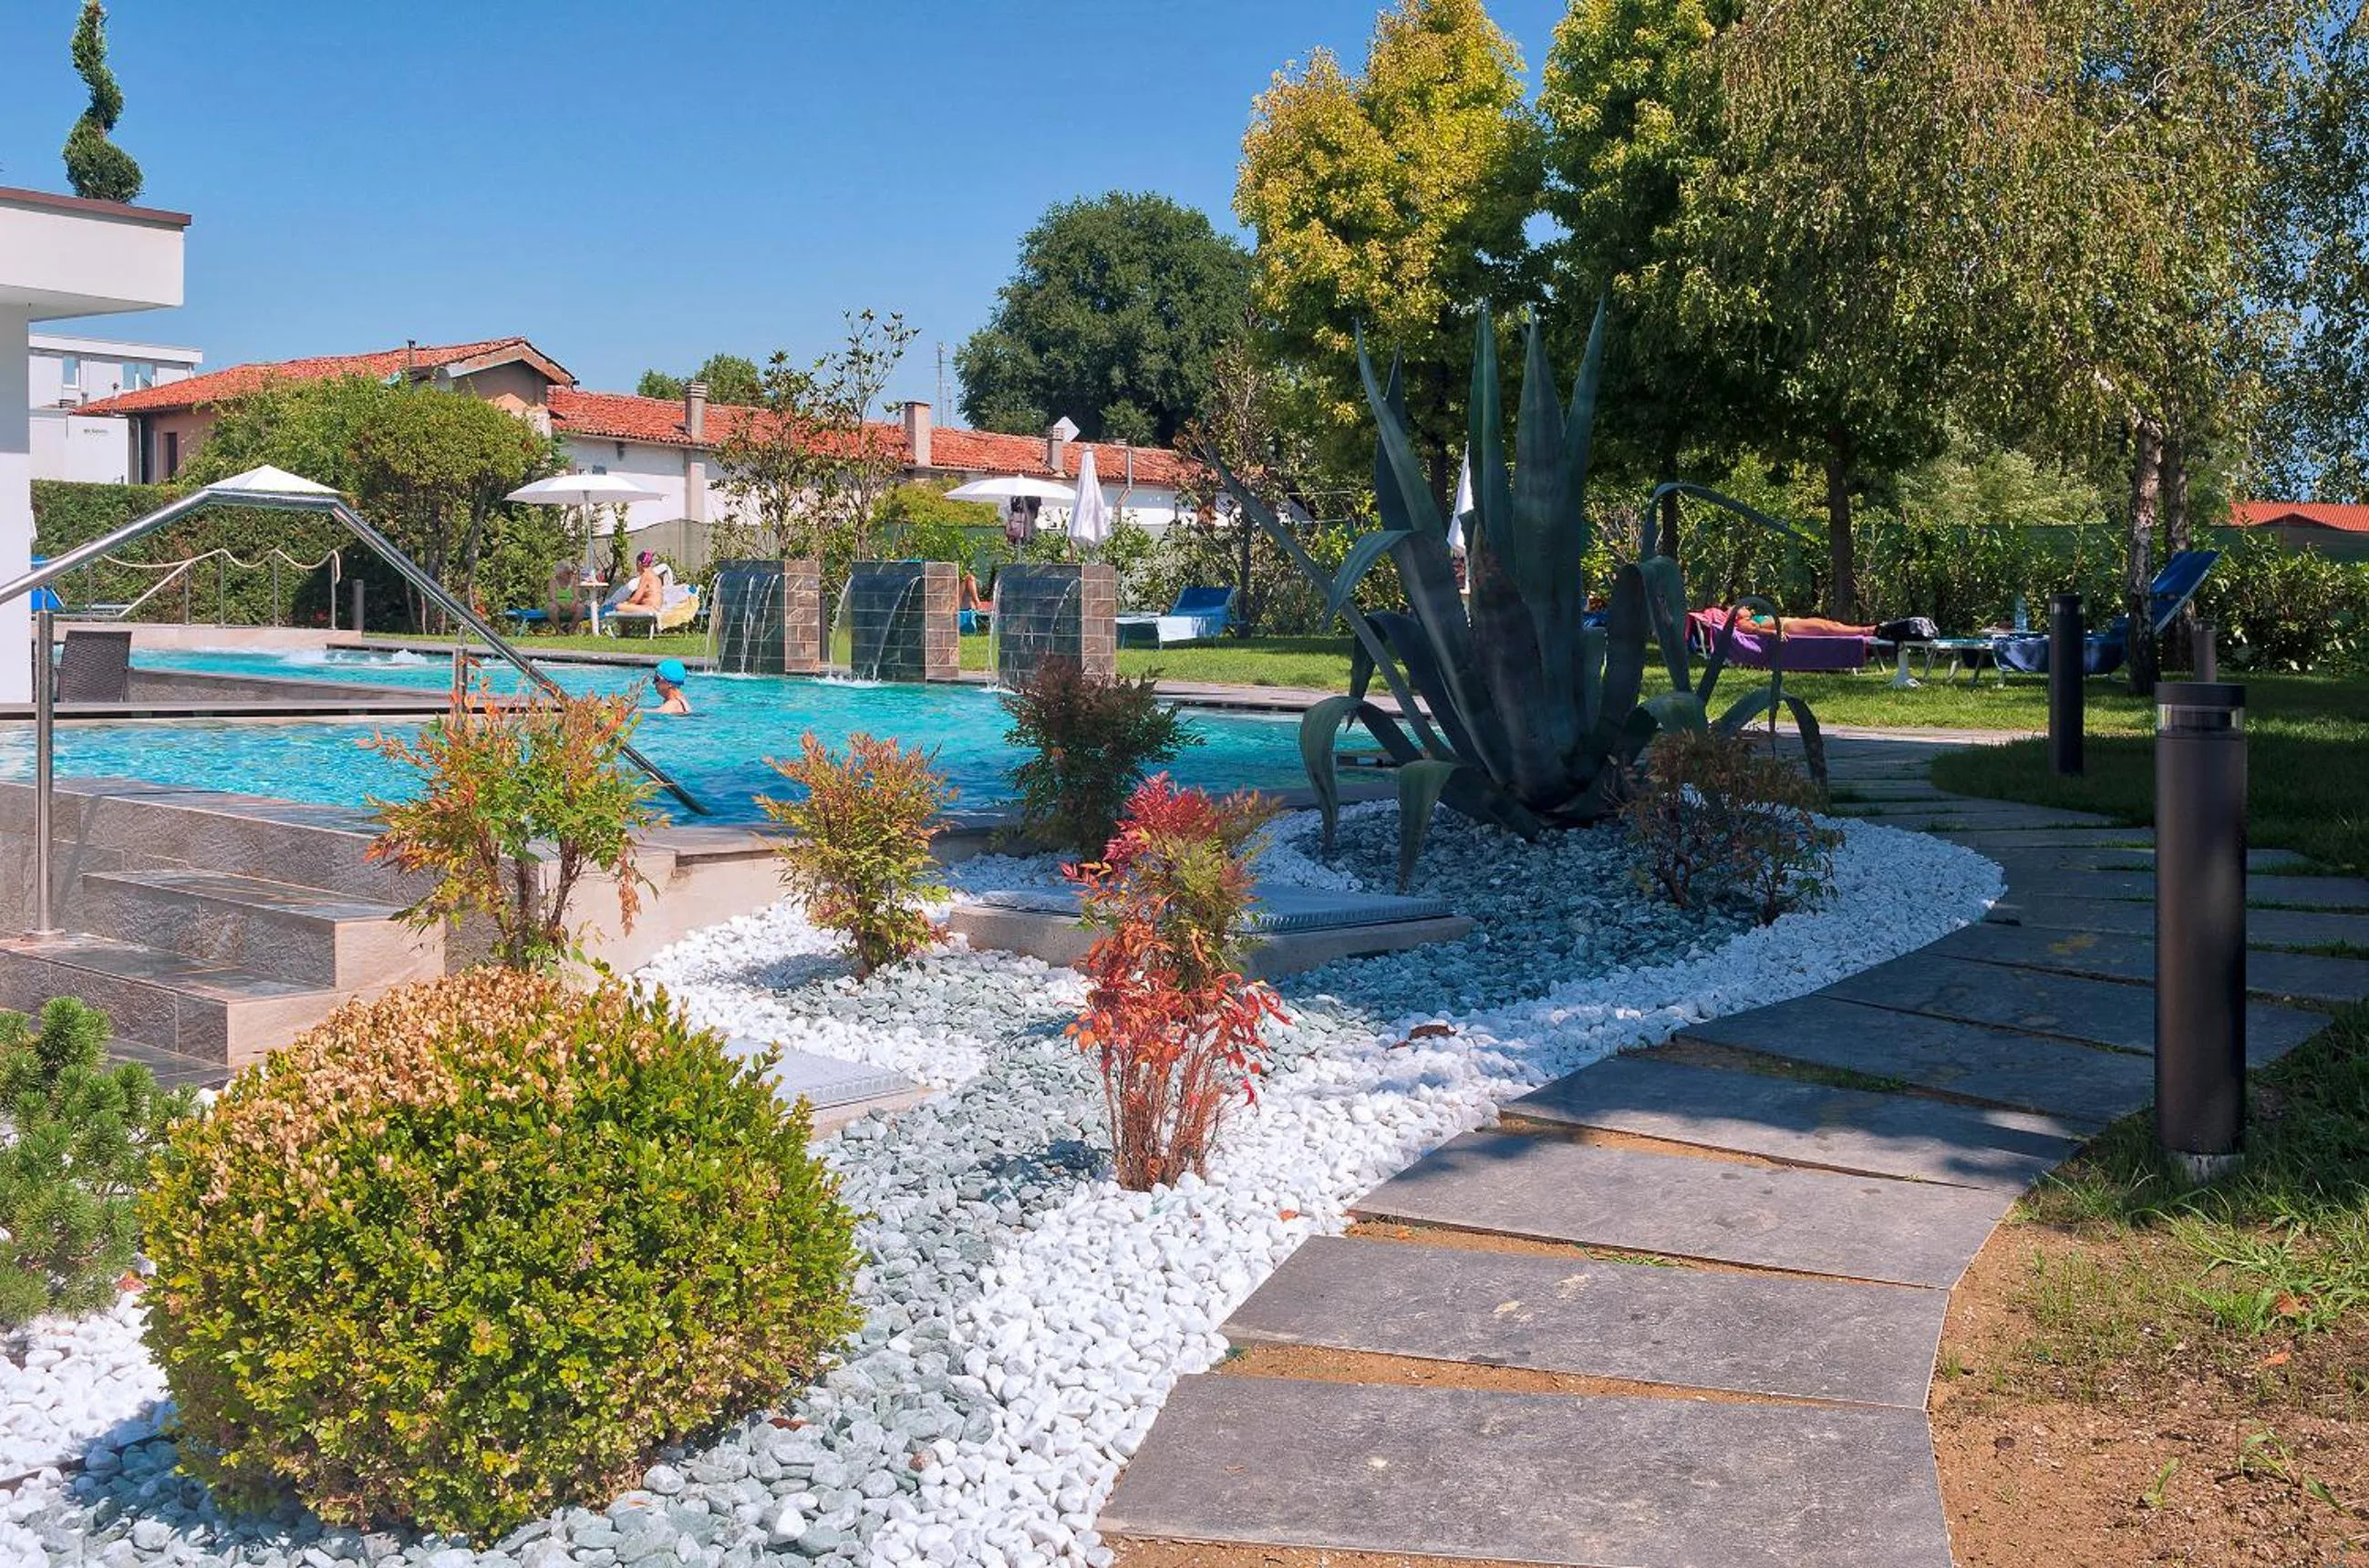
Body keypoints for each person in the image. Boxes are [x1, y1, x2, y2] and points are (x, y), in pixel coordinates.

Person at [621, 550, 667, 614]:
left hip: (650, 608)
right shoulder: (655, 576)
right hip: (656, 607)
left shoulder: (646, 576)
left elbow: (636, 598)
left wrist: (627, 603)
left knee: (619, 606)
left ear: (639, 563)